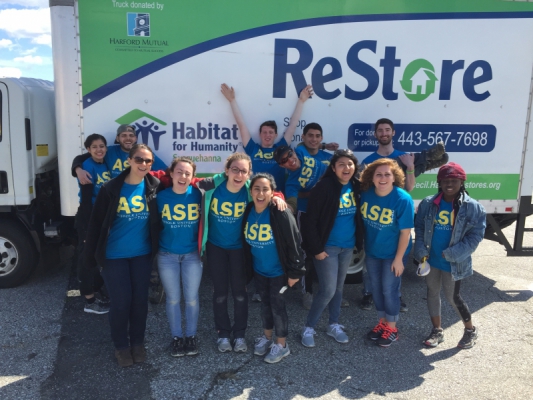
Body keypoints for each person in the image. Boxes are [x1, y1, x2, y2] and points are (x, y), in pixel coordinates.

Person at [192, 153, 286, 353]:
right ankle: (223, 334)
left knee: (240, 294)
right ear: (226, 171)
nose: (239, 174)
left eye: (244, 171)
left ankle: (240, 335)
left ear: (248, 174)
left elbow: (266, 192)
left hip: (239, 250)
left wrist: (278, 197)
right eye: (235, 169)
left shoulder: (248, 189)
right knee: (219, 294)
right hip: (216, 247)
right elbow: (188, 182)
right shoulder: (212, 185)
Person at [83, 144, 161, 367]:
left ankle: (137, 343)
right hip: (114, 255)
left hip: (142, 255)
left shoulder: (153, 186)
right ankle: (121, 346)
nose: (143, 164)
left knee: (139, 302)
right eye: (139, 159)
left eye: (148, 161)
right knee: (121, 302)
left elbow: (183, 178)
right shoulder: (111, 188)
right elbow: (96, 224)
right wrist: (90, 257)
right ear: (129, 160)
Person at [359, 118, 447, 312]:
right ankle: (369, 294)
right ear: (375, 135)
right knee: (370, 263)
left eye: (387, 130)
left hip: (393, 219)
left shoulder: (403, 157)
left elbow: (408, 188)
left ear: (393, 133)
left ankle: (395, 298)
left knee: (393, 268)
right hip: (374, 223)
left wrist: (410, 167)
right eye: (380, 130)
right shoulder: (368, 162)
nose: (383, 133)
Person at [414, 162, 486, 349]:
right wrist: (421, 251)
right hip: (431, 260)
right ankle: (437, 330)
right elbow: (420, 228)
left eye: (454, 180)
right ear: (439, 182)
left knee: (453, 297)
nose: (449, 184)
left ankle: (470, 330)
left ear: (462, 182)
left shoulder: (473, 207)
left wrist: (454, 253)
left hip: (454, 262)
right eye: (445, 180)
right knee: (432, 293)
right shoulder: (428, 204)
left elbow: (475, 236)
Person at [300, 149, 364, 347]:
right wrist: (317, 249)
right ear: (334, 168)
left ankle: (333, 324)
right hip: (327, 247)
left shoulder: (356, 186)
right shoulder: (324, 187)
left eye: (350, 164)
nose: (346, 168)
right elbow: (310, 221)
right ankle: (308, 327)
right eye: (342, 164)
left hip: (347, 247)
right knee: (327, 290)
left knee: (338, 288)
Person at [242, 173, 305, 363]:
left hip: (278, 272)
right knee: (264, 305)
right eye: (256, 189)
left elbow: (295, 243)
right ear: (251, 191)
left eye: (265, 189)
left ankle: (282, 345)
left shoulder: (280, 212)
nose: (260, 193)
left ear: (272, 192)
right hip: (259, 270)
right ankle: (267, 338)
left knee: (278, 307)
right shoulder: (249, 209)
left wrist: (295, 272)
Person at [360, 158, 414, 347]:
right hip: (374, 251)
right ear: (372, 178)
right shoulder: (366, 195)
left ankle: (392, 328)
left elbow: (405, 232)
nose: (383, 178)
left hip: (394, 253)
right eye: (379, 174)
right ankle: (382, 323)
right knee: (376, 289)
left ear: (394, 177)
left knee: (389, 289)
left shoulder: (402, 199)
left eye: (387, 174)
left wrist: (399, 259)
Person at [220, 83, 313, 193]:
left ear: (276, 135)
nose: (267, 135)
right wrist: (232, 100)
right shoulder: (252, 149)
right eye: (264, 132)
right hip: (256, 197)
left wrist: (301, 101)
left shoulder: (281, 147)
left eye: (270, 132)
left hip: (278, 199)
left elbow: (293, 125)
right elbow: (242, 125)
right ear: (260, 134)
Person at [156, 157, 203, 357]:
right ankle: (176, 337)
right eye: (179, 172)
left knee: (191, 299)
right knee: (173, 299)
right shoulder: (160, 197)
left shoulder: (200, 195)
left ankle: (190, 336)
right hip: (167, 255)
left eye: (187, 173)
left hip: (192, 254)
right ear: (171, 174)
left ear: (192, 177)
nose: (183, 176)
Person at [273, 144, 328, 310]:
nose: (290, 160)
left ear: (294, 151)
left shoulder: (303, 150)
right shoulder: (291, 182)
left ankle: (329, 292)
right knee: (307, 253)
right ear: (282, 165)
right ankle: (307, 292)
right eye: (284, 160)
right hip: (307, 214)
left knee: (329, 250)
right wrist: (280, 202)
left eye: (290, 154)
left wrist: (326, 146)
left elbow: (314, 143)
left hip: (329, 210)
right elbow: (291, 203)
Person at [75, 133, 110, 314]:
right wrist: (88, 227)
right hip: (89, 217)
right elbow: (87, 201)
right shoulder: (87, 167)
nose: (99, 150)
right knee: (87, 258)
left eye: (102, 146)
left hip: (103, 217)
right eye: (94, 147)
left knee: (99, 257)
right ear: (88, 150)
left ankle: (97, 291)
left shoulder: (105, 162)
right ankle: (89, 301)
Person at [72, 124, 167, 183]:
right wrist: (78, 170)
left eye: (131, 136)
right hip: (115, 194)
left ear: (136, 138)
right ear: (117, 139)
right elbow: (81, 158)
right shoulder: (109, 151)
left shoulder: (143, 153)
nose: (128, 138)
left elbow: (165, 171)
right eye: (124, 136)